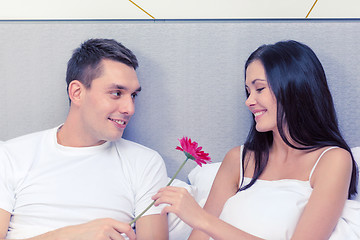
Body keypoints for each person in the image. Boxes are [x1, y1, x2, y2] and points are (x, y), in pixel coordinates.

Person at [152, 40, 360, 239]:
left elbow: (204, 223)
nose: (249, 101)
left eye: (259, 89)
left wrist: (202, 219)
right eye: (247, 91)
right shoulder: (238, 159)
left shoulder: (333, 160)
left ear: (295, 88)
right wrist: (201, 221)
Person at [0, 38, 169, 240]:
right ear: (77, 92)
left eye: (133, 95)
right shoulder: (11, 156)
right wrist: (73, 234)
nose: (129, 109)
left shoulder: (145, 163)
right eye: (116, 93)